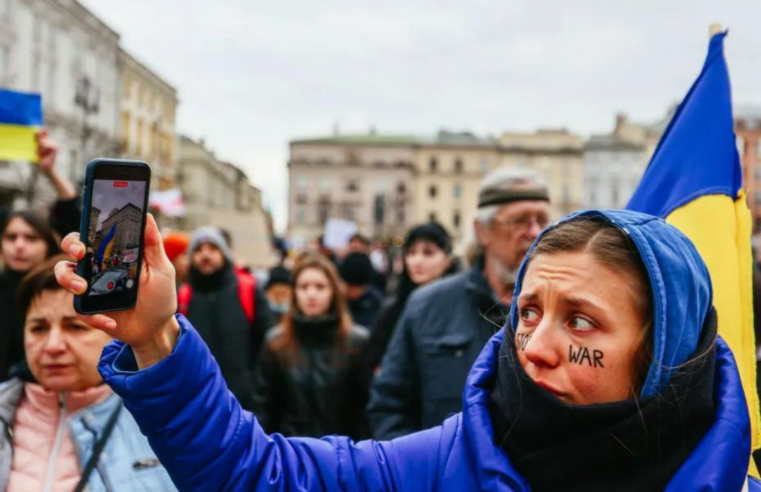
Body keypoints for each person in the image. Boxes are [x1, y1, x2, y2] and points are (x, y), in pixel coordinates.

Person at [54, 209, 760, 491]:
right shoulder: (445, 462)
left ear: (663, 353)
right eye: (528, 311)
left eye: (580, 323)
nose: (535, 347)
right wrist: (154, 336)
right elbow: (256, 474)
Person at [368, 168, 551, 439]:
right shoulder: (427, 306)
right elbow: (388, 405)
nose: (535, 231)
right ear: (482, 231)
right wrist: (422, 473)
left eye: (542, 220)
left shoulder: (564, 311)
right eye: (520, 220)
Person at [0, 255, 176, 491]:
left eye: (74, 327)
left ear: (114, 333)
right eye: (38, 328)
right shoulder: (5, 410)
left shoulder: (159, 423)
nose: (53, 345)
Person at [252, 254, 369, 439]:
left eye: (320, 286)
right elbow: (265, 409)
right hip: (292, 454)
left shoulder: (356, 342)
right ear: (295, 292)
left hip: (343, 456)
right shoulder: (276, 343)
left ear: (333, 291)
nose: (311, 294)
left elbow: (366, 409)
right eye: (303, 287)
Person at [0, 131, 81, 381]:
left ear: (48, 245)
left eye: (31, 237)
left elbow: (73, 215)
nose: (19, 245)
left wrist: (50, 172)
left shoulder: (62, 290)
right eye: (11, 237)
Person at [176, 226, 274, 410]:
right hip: (199, 399)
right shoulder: (183, 296)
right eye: (198, 250)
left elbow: (268, 339)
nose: (205, 255)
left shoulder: (248, 288)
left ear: (224, 254)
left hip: (245, 400)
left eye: (213, 248)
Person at [361, 222, 458, 387]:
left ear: (447, 259)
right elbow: (371, 368)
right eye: (411, 253)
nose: (417, 261)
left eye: (428, 253)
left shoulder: (461, 308)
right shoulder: (392, 311)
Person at [338, 252, 384, 328]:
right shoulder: (336, 300)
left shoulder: (377, 303)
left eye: (358, 288)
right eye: (349, 287)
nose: (352, 292)